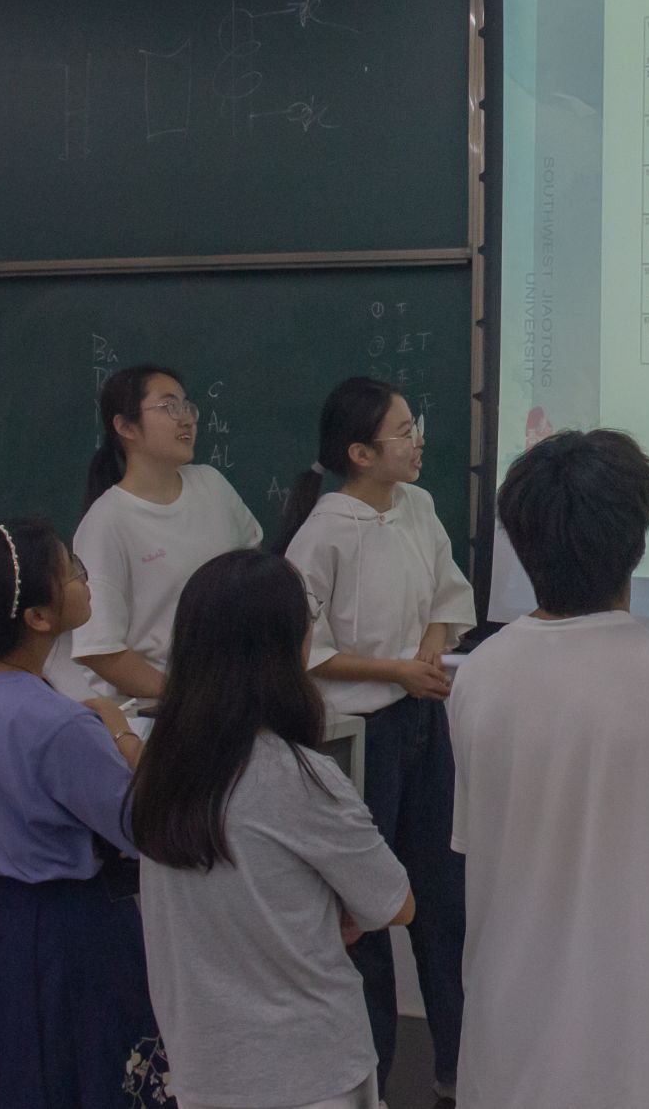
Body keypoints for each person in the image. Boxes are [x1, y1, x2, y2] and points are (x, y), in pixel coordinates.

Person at [448, 429, 649, 1109]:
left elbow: (475, 839)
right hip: (640, 1054)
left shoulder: (477, 677)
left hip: (504, 1053)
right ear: (636, 542)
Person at [133, 549, 414, 1109]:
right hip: (307, 1072)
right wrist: (337, 908)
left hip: (202, 1067)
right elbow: (396, 904)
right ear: (284, 647)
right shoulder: (299, 777)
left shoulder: (161, 769)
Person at [274, 377, 472, 1099]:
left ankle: (459, 1070)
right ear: (360, 452)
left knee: (442, 899)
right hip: (362, 735)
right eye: (403, 430)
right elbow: (303, 647)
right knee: (368, 907)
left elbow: (449, 595)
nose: (418, 441)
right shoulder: (324, 531)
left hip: (423, 721)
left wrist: (427, 654)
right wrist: (397, 671)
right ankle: (372, 1076)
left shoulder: (418, 506)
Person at [0, 517, 163, 1109]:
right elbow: (146, 827)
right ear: (38, 617)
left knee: (32, 1079)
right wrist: (121, 735)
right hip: (77, 929)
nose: (85, 582)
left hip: (14, 923)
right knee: (99, 1080)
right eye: (73, 573)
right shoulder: (59, 724)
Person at [74, 364, 263, 700]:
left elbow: (255, 573)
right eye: (169, 407)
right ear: (126, 426)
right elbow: (100, 650)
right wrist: (185, 698)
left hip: (234, 693)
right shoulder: (107, 521)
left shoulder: (211, 484)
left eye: (188, 407)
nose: (186, 419)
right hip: (158, 711)